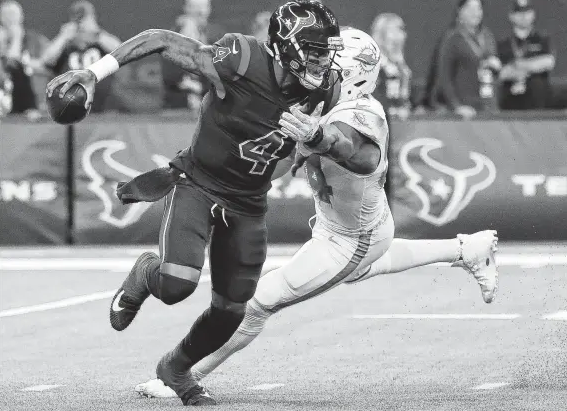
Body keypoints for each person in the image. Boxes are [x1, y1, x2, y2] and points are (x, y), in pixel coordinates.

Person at [132, 28, 499, 399]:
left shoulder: (361, 111)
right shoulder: (316, 102)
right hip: (351, 226)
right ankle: (465, 248)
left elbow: (357, 152)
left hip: (350, 239)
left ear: (353, 73)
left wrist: (316, 139)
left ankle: (182, 374)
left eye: (328, 62)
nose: (317, 66)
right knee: (366, 265)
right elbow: (277, 159)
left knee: (258, 302)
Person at [47, 0, 344, 406]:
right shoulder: (240, 60)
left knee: (231, 310)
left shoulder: (327, 89)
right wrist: (94, 71)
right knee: (175, 285)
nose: (322, 61)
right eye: (314, 50)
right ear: (286, 46)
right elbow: (158, 39)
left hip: (248, 202)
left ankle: (175, 368)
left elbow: (307, 150)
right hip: (199, 184)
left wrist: (309, 147)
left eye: (326, 51)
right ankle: (144, 273)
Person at [40, 0, 121, 113]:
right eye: (78, 20)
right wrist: (63, 37)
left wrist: (96, 33)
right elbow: (46, 60)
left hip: (101, 105)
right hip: (70, 104)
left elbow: (120, 51)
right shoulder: (66, 44)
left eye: (84, 19)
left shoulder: (101, 40)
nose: (81, 25)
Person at [436, 0, 501, 119]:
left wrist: (497, 66)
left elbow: (493, 70)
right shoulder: (452, 39)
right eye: (470, 8)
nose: (475, 12)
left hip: (489, 105)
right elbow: (444, 77)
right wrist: (457, 106)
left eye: (478, 8)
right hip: (466, 108)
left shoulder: (487, 36)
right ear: (460, 11)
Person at [497, 0, 555, 110]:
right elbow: (501, 73)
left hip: (537, 100)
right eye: (519, 12)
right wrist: (521, 73)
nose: (523, 16)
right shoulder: (503, 43)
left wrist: (518, 65)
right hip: (510, 98)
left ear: (533, 15)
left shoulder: (542, 38)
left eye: (527, 12)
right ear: (511, 16)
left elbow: (548, 62)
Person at [0, 0, 49, 117]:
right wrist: (15, 39)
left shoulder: (36, 40)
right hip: (6, 102)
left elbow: (48, 64)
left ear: (21, 16)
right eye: (6, 14)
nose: (10, 18)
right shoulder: (1, 41)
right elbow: (11, 62)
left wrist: (29, 63)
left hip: (33, 100)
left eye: (13, 14)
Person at [371, 13, 412, 121]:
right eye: (394, 31)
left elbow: (403, 96)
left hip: (398, 123)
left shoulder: (400, 65)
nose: (401, 36)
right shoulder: (373, 63)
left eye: (401, 30)